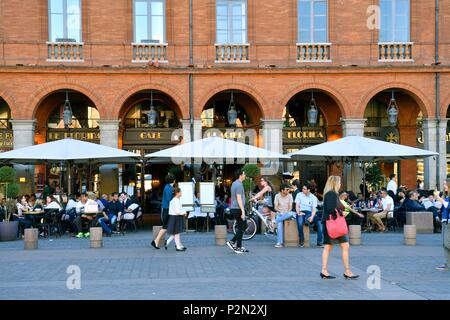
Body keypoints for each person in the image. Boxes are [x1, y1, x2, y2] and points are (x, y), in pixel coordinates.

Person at [320, 175, 359, 280]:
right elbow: (331, 209)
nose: (340, 184)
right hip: (332, 224)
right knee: (336, 246)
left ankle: (331, 270)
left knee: (335, 246)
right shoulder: (332, 194)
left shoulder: (331, 194)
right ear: (335, 183)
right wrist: (340, 213)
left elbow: (333, 207)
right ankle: (345, 271)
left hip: (330, 223)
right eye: (339, 182)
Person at [226, 169, 248, 254]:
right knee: (242, 226)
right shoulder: (239, 185)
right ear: (240, 175)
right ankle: (233, 243)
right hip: (238, 208)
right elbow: (239, 198)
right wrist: (243, 211)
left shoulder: (234, 183)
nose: (245, 175)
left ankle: (237, 245)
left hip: (235, 208)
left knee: (242, 226)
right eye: (244, 174)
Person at [152, 174, 176, 249]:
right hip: (167, 210)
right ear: (174, 180)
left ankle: (176, 244)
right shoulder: (169, 188)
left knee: (170, 227)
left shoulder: (168, 187)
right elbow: (169, 200)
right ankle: (156, 241)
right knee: (166, 227)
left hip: (167, 209)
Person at [296, 182, 323, 248]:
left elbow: (313, 209)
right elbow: (297, 205)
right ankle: (301, 240)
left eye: (304, 189)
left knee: (320, 223)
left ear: (308, 190)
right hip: (301, 212)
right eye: (302, 188)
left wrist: (312, 216)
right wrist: (298, 212)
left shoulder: (313, 197)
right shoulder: (299, 194)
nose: (302, 190)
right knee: (300, 223)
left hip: (309, 213)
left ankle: (319, 242)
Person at [272, 183, 296, 248]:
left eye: (289, 190)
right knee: (280, 224)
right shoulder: (277, 196)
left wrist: (286, 212)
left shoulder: (290, 196)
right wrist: (281, 212)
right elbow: (275, 207)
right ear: (282, 190)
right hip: (280, 213)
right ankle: (279, 243)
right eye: (287, 190)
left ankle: (275, 221)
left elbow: (290, 207)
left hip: (287, 213)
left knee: (291, 213)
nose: (288, 191)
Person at [436, 181, 450, 271]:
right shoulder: (447, 196)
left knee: (447, 243)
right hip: (445, 221)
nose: (444, 185)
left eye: (445, 184)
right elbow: (445, 207)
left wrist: (441, 200)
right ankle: (448, 264)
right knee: (445, 244)